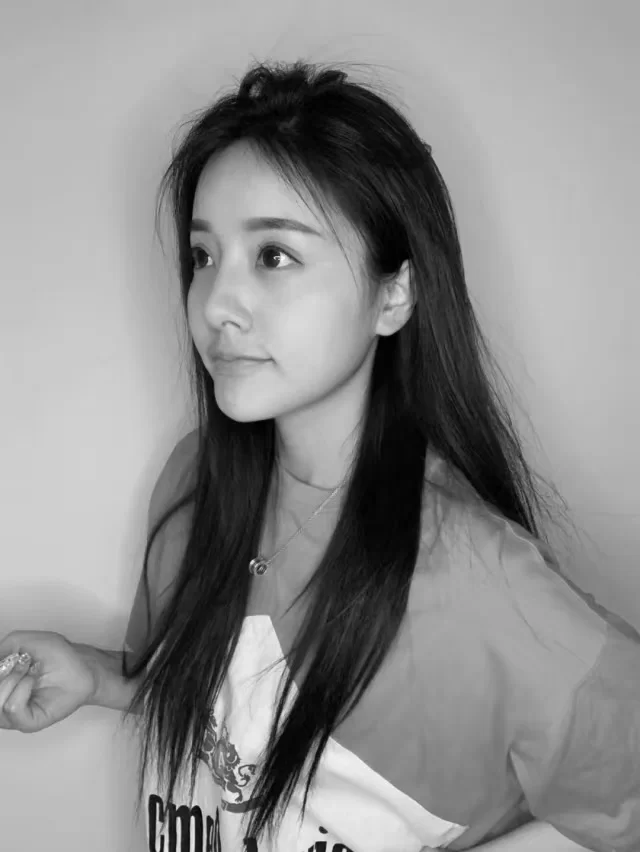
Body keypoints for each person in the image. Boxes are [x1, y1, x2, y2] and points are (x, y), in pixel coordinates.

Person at [0, 58, 638, 852]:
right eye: (203, 256)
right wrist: (98, 677)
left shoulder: (482, 582)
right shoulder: (195, 480)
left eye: (274, 255)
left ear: (393, 294)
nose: (216, 305)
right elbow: (236, 719)